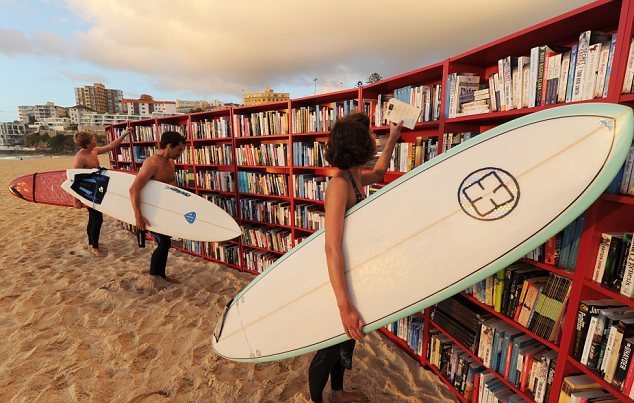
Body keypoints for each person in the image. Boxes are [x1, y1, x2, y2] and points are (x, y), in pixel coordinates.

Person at [308, 113, 402, 403]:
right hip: (335, 279)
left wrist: (393, 138)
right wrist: (344, 304)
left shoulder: (354, 176)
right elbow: (331, 247)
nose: (374, 139)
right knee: (329, 345)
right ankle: (316, 400)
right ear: (358, 144)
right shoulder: (339, 185)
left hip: (350, 273)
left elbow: (382, 172)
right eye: (371, 136)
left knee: (346, 340)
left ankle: (336, 392)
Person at [129, 131, 186, 283]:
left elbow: (172, 183)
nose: (180, 153)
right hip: (150, 211)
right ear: (169, 146)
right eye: (179, 150)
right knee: (165, 242)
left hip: (164, 210)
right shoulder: (151, 164)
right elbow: (134, 189)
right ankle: (155, 277)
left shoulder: (171, 163)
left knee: (166, 242)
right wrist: (138, 216)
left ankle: (161, 275)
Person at [73, 128, 131, 256]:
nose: (95, 140)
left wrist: (124, 134)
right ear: (88, 144)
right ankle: (94, 247)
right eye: (93, 139)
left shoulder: (94, 151)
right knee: (97, 219)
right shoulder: (80, 158)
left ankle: (91, 243)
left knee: (93, 218)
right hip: (88, 191)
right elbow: (74, 179)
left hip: (97, 188)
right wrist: (76, 200)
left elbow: (111, 146)